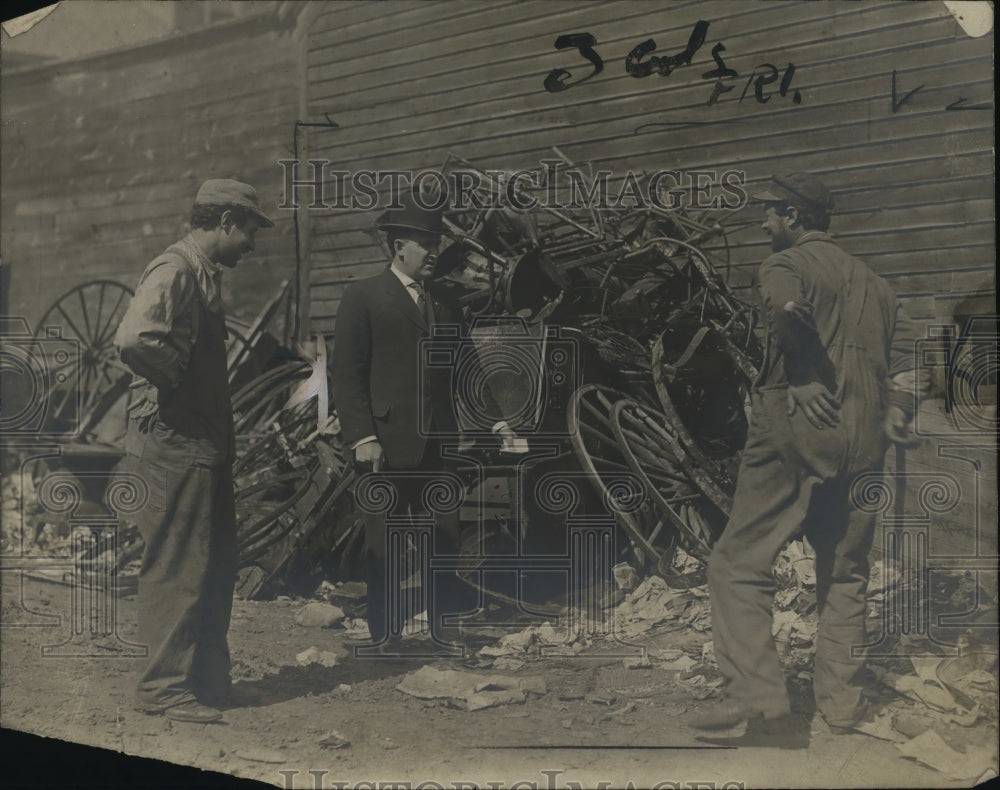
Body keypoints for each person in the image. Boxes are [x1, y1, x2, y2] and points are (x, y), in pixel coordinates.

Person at [692, 172, 922, 737]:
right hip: (868, 436)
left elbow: (785, 311)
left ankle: (756, 696)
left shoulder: (783, 264)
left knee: (738, 562)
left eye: (770, 212)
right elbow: (914, 357)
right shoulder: (878, 284)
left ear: (794, 217)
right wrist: (898, 410)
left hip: (800, 425)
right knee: (845, 570)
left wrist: (799, 374)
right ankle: (842, 708)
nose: (763, 222)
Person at [115, 179, 273, 723]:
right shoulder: (175, 270)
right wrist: (177, 380)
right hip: (174, 442)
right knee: (179, 563)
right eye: (249, 230)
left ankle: (205, 681)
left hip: (203, 443)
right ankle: (162, 688)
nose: (252, 244)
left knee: (216, 562)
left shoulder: (203, 276)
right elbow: (135, 340)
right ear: (225, 221)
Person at [332, 191, 476, 654]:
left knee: (445, 540)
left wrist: (496, 424)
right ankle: (384, 635)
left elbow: (467, 368)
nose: (434, 252)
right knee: (386, 544)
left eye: (436, 243)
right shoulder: (364, 297)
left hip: (439, 445)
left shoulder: (447, 303)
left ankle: (438, 631)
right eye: (425, 243)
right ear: (398, 246)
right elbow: (347, 376)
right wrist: (363, 436)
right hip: (385, 445)